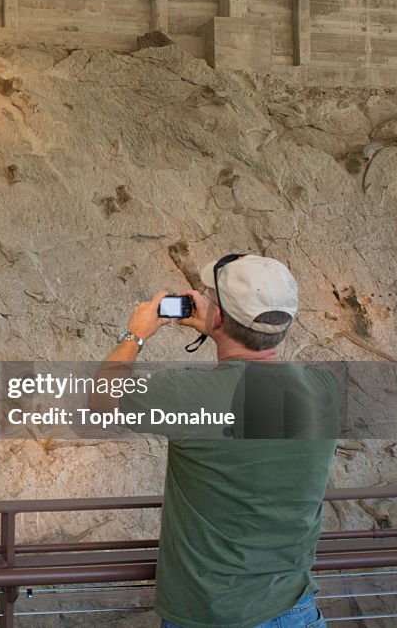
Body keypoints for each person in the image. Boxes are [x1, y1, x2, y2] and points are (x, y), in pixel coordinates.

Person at [89, 254, 340, 628]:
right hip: (296, 611)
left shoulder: (190, 394)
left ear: (219, 316)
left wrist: (136, 332)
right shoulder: (326, 389)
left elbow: (100, 398)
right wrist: (221, 324)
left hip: (212, 617)